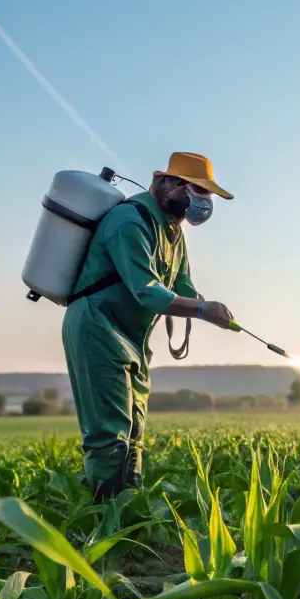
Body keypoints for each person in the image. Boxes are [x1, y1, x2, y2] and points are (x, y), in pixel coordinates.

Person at [62, 151, 235, 500]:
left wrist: (205, 304)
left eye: (208, 196)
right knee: (110, 433)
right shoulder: (130, 221)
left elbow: (180, 286)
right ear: (171, 185)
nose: (204, 203)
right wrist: (202, 310)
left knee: (135, 429)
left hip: (134, 338)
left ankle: (129, 508)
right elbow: (148, 292)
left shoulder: (173, 231)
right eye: (199, 192)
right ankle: (104, 516)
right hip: (98, 328)